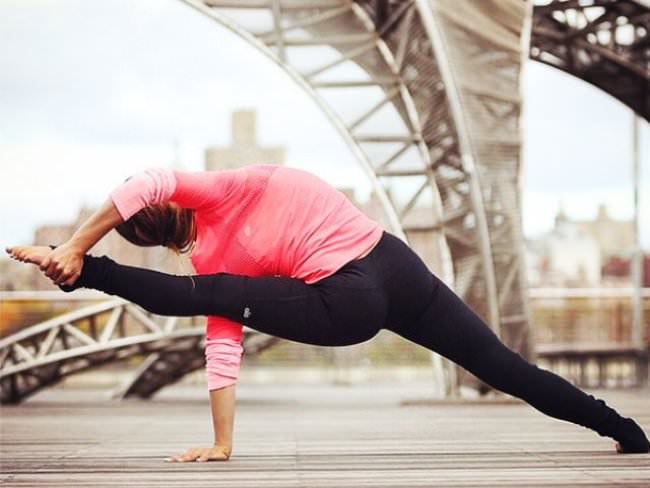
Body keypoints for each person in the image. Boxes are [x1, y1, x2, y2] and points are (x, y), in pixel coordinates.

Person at [6, 164, 649, 462]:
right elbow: (222, 345)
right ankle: (621, 427)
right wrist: (224, 443)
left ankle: (92, 275)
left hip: (354, 296)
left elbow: (144, 187)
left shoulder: (220, 194)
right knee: (503, 367)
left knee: (211, 295)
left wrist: (75, 251)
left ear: (152, 229)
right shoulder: (224, 224)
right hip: (396, 265)